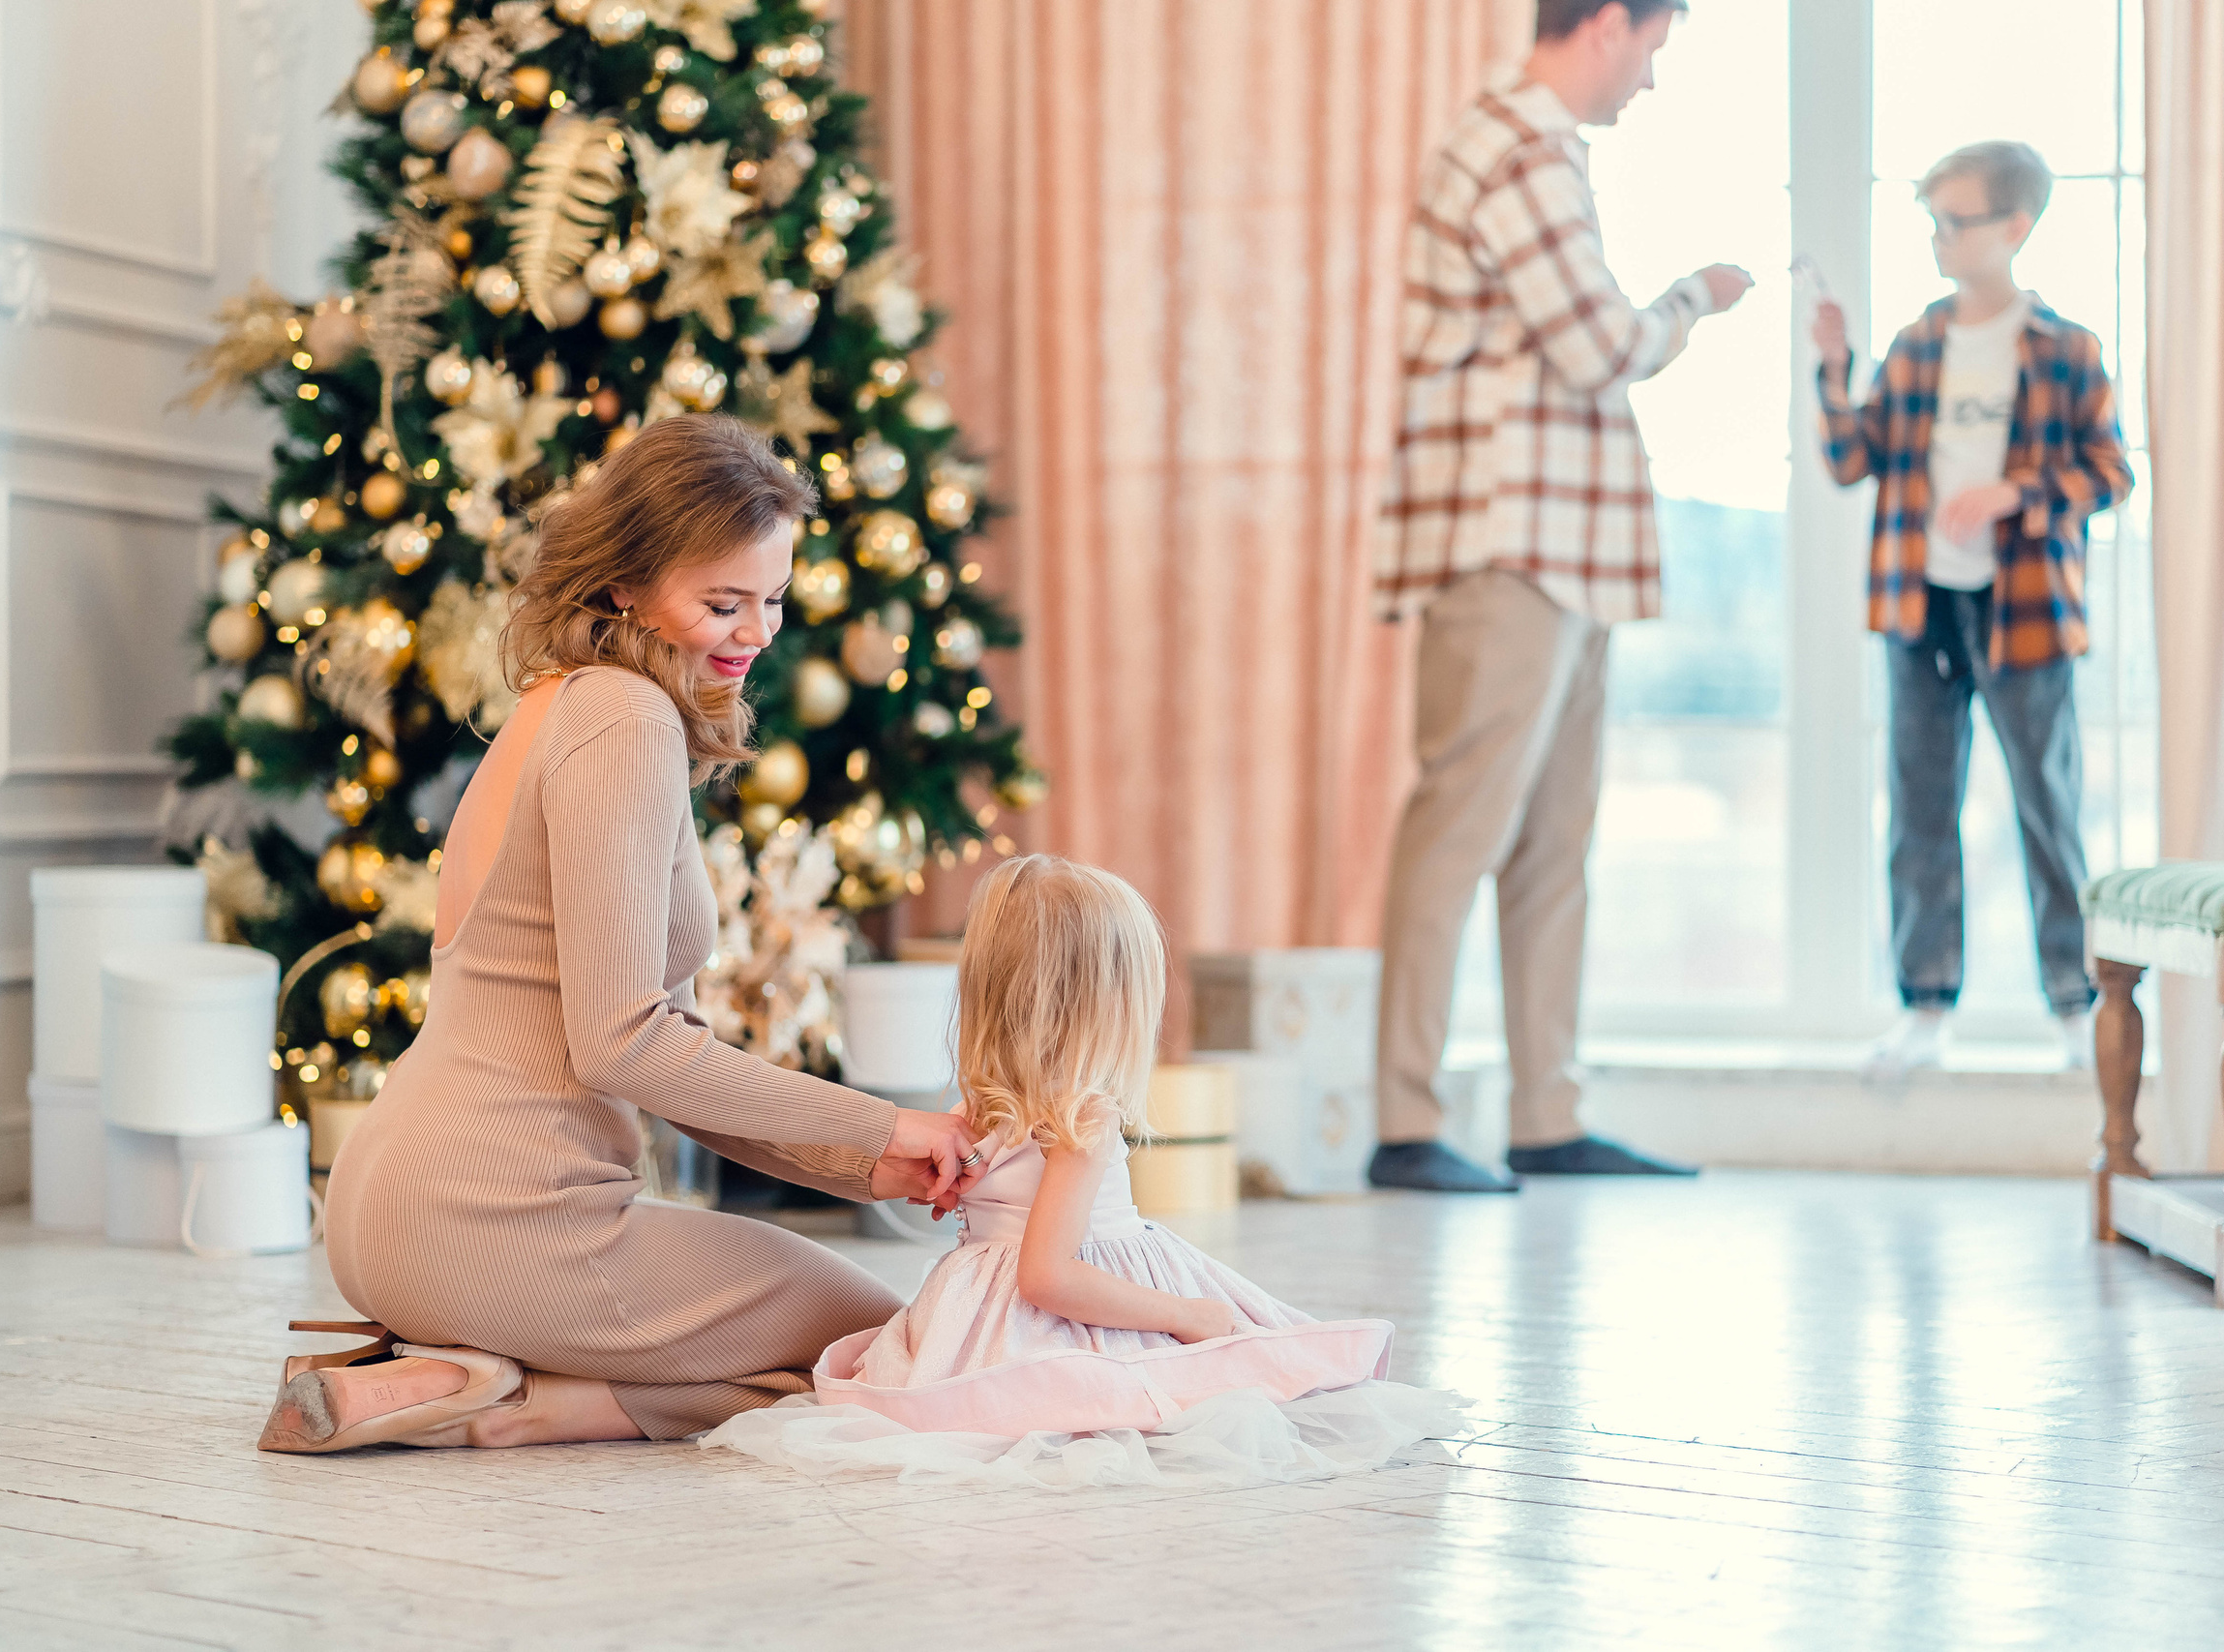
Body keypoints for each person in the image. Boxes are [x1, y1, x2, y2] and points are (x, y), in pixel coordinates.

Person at [257, 417, 985, 1454]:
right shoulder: (624, 721)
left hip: (394, 1208)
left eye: (772, 600)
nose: (755, 633)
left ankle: (446, 1377)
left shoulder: (574, 708)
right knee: (892, 1350)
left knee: (846, 1342)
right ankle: (515, 1403)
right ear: (623, 587)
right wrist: (884, 1126)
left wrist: (864, 1165)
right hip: (495, 1218)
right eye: (722, 603)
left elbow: (658, 1046)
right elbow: (626, 1044)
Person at [706, 855, 1465, 1487]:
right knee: (1223, 1364)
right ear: (1106, 1004)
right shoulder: (1085, 1116)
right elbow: (1048, 1277)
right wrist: (1181, 1314)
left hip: (976, 1312)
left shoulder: (979, 1108)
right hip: (1064, 1310)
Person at [1368, 0, 1751, 1193]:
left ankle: (1547, 1113)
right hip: (1508, 550)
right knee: (1459, 831)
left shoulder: (1538, 152)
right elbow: (1601, 346)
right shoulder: (1514, 150)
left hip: (1563, 551)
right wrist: (1694, 297)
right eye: (1651, 50)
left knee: (1552, 846)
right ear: (1605, 27)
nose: (1648, 82)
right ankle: (1407, 1124)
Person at [1813, 142, 2134, 1079]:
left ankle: (2077, 1009)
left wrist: (2015, 495)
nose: (1939, 239)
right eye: (1933, 222)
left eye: (1955, 221)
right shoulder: (1916, 345)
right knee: (1918, 805)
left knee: (2047, 804)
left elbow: (2112, 474)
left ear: (2012, 228)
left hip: (2025, 607)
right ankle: (1923, 1005)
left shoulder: (2068, 352)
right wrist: (1834, 370)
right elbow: (1849, 459)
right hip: (1920, 607)